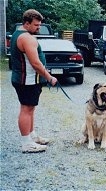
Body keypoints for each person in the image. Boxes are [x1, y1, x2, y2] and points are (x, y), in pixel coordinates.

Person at [11, 9, 58, 153]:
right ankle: (26, 144)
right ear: (26, 23)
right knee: (26, 109)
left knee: (30, 108)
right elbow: (35, 63)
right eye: (36, 25)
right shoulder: (26, 38)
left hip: (27, 79)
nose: (39, 28)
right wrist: (49, 77)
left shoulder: (19, 33)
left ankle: (32, 136)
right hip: (27, 80)